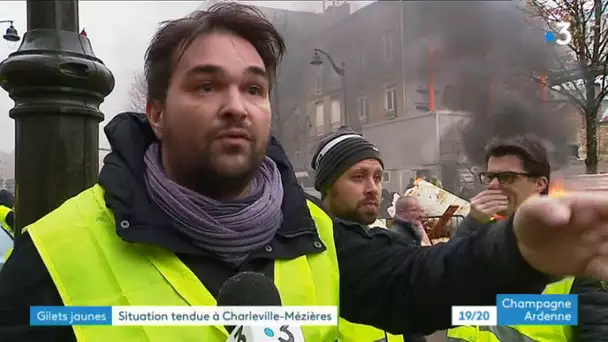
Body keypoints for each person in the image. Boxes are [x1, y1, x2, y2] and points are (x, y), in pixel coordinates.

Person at [0, 4, 607, 342]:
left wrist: (519, 250)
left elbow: (418, 286)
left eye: (254, 88)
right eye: (206, 84)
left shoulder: (309, 231)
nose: (236, 104)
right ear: (155, 112)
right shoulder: (53, 255)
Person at [448, 135, 608, 341]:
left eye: (506, 177)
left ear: (540, 184)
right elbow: (444, 279)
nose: (492, 186)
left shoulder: (575, 248)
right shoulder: (481, 237)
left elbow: (598, 331)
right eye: (489, 177)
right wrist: (472, 223)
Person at [310, 127, 407, 341]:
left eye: (378, 177)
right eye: (358, 177)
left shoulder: (386, 246)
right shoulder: (306, 255)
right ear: (328, 187)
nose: (372, 188)